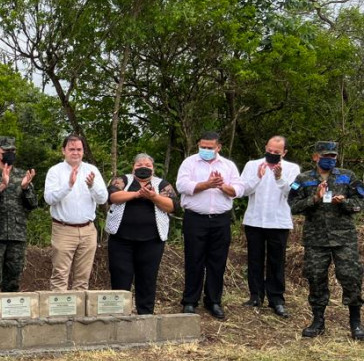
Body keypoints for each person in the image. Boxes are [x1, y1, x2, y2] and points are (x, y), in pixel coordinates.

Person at [288, 141, 364, 340]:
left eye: (332, 156)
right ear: (315, 157)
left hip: (344, 238)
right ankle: (318, 321)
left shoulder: (348, 176)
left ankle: (355, 323)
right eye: (326, 156)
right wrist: (314, 199)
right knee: (315, 277)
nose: (330, 159)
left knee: (351, 277)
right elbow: (293, 206)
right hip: (316, 239)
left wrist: (345, 202)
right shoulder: (303, 179)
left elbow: (359, 203)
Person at [175, 131, 245, 319]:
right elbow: (182, 186)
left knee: (217, 262)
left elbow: (238, 189)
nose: (205, 150)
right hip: (195, 219)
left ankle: (213, 301)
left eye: (209, 148)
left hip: (220, 220)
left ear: (218, 147)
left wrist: (222, 186)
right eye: (202, 147)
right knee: (194, 260)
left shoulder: (228, 166)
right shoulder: (189, 163)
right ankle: (190, 301)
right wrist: (206, 184)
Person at [105, 153, 177, 315]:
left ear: (153, 168)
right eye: (139, 165)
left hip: (152, 241)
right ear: (133, 167)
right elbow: (113, 196)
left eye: (147, 165)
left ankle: (145, 314)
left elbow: (172, 206)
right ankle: (119, 314)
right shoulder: (122, 180)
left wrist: (153, 196)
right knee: (120, 277)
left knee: (147, 278)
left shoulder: (162, 184)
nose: (143, 168)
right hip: (121, 240)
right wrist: (137, 194)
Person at [239, 136, 300, 318]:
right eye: (270, 151)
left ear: (284, 152)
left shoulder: (292, 168)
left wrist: (279, 177)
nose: (272, 154)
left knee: (276, 260)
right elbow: (243, 190)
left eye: (276, 152)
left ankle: (276, 299)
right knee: (254, 259)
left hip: (278, 221)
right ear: (265, 148)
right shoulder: (252, 165)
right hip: (255, 220)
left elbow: (293, 192)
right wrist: (258, 177)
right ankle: (255, 295)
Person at [43, 133, 107, 292]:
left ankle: (78, 315)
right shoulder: (55, 171)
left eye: (79, 149)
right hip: (63, 230)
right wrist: (68, 185)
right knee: (60, 276)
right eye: (72, 149)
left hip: (87, 230)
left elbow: (103, 198)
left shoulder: (92, 170)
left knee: (83, 277)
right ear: (63, 150)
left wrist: (92, 186)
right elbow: (49, 199)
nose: (76, 153)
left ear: (83, 151)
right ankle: (59, 315)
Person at [0, 136, 38, 292]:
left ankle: (11, 314)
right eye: (7, 150)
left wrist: (26, 188)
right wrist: (1, 186)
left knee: (13, 279)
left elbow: (33, 204)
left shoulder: (22, 175)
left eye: (13, 150)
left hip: (16, 234)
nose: (11, 153)